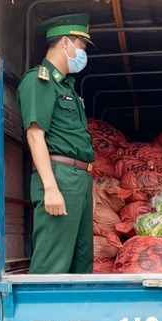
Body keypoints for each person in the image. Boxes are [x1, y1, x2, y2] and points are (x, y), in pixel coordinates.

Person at [17, 13, 95, 274]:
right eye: (81, 45)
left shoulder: (68, 86)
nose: (83, 52)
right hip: (58, 176)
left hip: (78, 179)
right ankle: (41, 314)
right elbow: (35, 136)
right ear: (65, 43)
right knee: (52, 264)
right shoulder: (39, 80)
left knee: (80, 264)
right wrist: (50, 188)